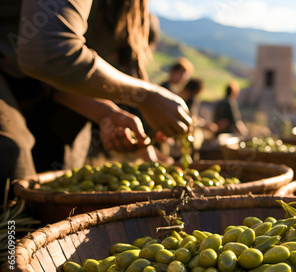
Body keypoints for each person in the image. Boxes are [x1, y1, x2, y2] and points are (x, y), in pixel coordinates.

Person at [0, 0, 192, 199]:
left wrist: (107, 114)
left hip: (34, 88)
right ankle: (12, 231)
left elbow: (58, 81)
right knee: (11, 166)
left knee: (65, 183)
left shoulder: (126, 10)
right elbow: (51, 52)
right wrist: (146, 96)